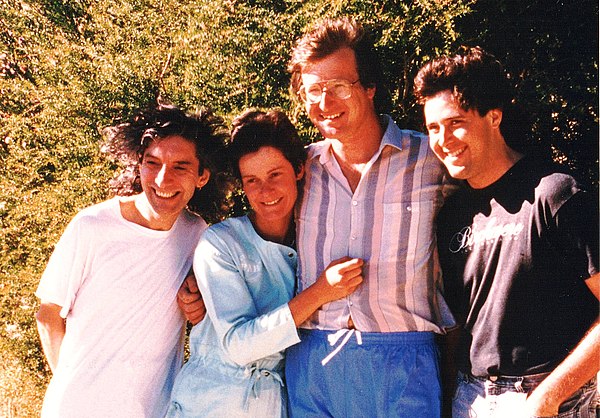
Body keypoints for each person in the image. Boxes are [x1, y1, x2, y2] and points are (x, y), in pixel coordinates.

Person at [177, 17, 454, 417]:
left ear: (371, 87)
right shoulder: (298, 168)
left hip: (404, 362)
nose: (325, 104)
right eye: (313, 92)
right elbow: (263, 235)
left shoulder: (432, 158)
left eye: (339, 86)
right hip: (313, 363)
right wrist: (201, 279)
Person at [414, 46, 599, 417]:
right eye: (433, 128)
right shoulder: (452, 215)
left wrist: (548, 396)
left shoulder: (554, 194)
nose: (442, 139)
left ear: (494, 116)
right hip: (473, 398)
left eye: (455, 122)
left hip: (558, 400)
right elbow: (460, 327)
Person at [34, 104, 229, 418]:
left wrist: (200, 308)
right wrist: (72, 389)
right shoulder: (92, 226)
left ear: (202, 175)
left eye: (180, 167)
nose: (163, 180)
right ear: (139, 165)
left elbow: (214, 318)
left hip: (154, 411)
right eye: (153, 163)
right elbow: (48, 315)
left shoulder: (199, 236)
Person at [166, 109, 363, 418]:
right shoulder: (221, 243)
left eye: (275, 175)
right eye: (252, 180)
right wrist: (321, 292)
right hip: (210, 404)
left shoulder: (316, 240)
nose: (265, 192)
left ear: (298, 169)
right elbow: (240, 346)